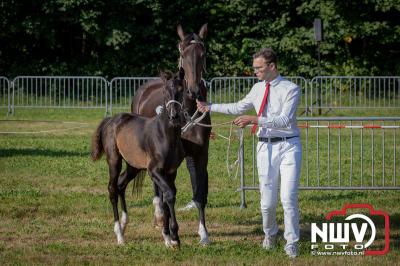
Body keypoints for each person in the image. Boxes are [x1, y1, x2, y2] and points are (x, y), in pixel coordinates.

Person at [197, 48, 302, 258]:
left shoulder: (291, 89)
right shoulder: (257, 88)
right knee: (267, 201)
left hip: (289, 146)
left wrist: (253, 120)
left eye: (259, 68)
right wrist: (210, 107)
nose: (255, 71)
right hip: (264, 147)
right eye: (254, 68)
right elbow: (238, 107)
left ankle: (292, 242)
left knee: (288, 198)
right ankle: (270, 234)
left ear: (272, 66)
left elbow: (284, 120)